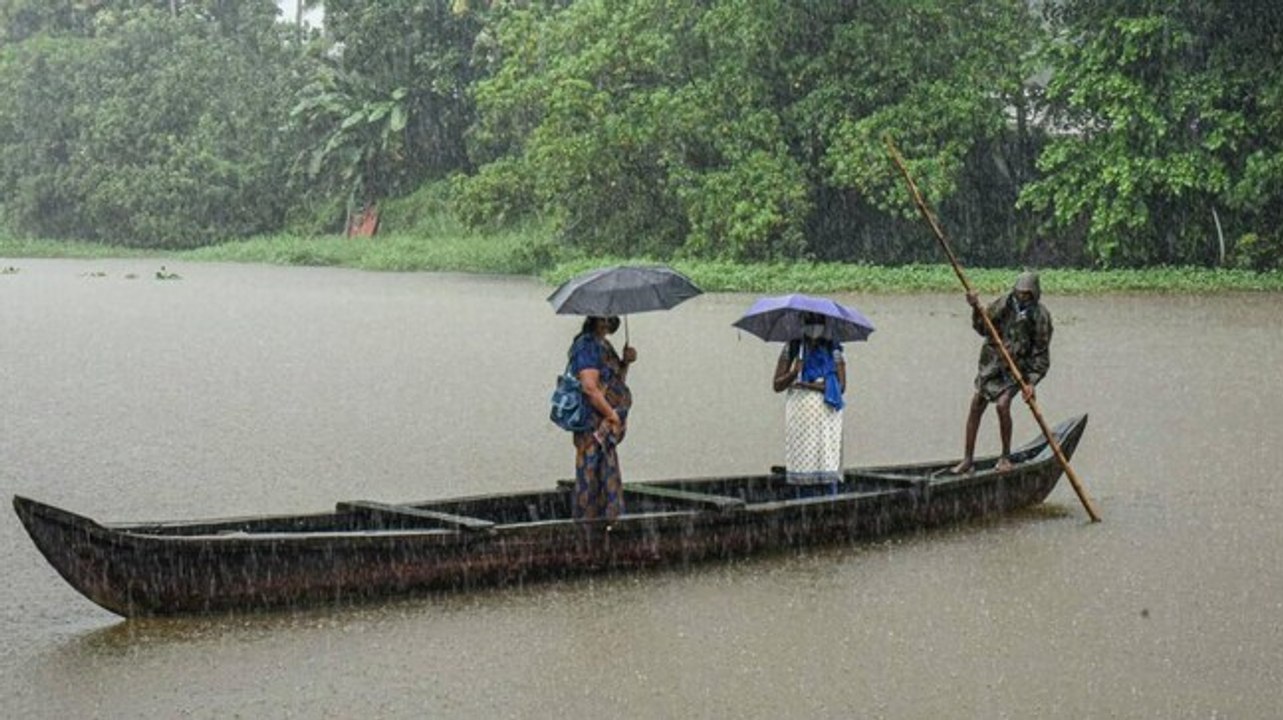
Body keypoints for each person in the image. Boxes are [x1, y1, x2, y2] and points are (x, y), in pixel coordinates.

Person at [951, 271, 1053, 474]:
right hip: (993, 363)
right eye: (1019, 293)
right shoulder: (1004, 304)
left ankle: (1005, 457)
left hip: (1017, 370)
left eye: (1027, 294)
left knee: (1002, 405)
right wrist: (975, 308)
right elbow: (983, 328)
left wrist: (1031, 382)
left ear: (1034, 294)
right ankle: (967, 459)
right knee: (976, 404)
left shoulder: (1041, 316)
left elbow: (1041, 355)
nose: (1022, 297)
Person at [567, 315, 637, 525]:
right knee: (590, 472)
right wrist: (611, 414)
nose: (606, 323)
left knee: (605, 470)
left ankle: (607, 522)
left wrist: (625, 362)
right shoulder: (587, 345)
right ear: (592, 319)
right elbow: (589, 387)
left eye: (609, 319)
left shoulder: (604, 344)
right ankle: (588, 525)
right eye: (601, 319)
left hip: (605, 424)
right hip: (592, 424)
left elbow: (615, 382)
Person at [773, 312, 847, 490]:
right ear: (801, 324)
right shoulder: (792, 347)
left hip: (826, 413)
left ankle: (829, 499)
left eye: (818, 322)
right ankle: (803, 498)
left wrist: (810, 386)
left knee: (826, 456)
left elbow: (841, 386)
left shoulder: (833, 349)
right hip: (800, 413)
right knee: (802, 458)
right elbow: (777, 385)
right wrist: (792, 373)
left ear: (825, 325)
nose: (814, 327)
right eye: (809, 322)